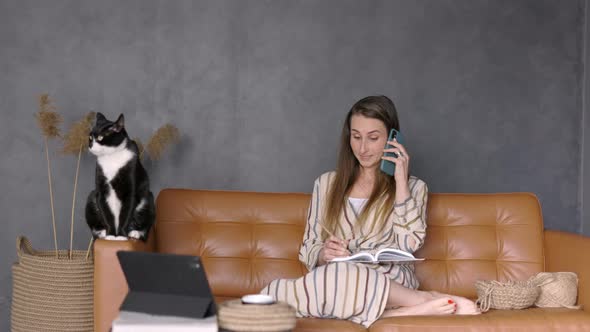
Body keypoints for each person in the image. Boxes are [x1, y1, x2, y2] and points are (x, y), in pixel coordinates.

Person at [260, 95, 480, 327]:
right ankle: (411, 306)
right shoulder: (325, 184)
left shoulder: (415, 187)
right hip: (337, 279)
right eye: (356, 137)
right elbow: (309, 247)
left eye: (373, 138)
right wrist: (324, 254)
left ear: (392, 139)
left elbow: (408, 244)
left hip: (389, 281)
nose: (363, 148)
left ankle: (411, 300)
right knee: (269, 295)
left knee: (341, 278)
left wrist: (401, 182)